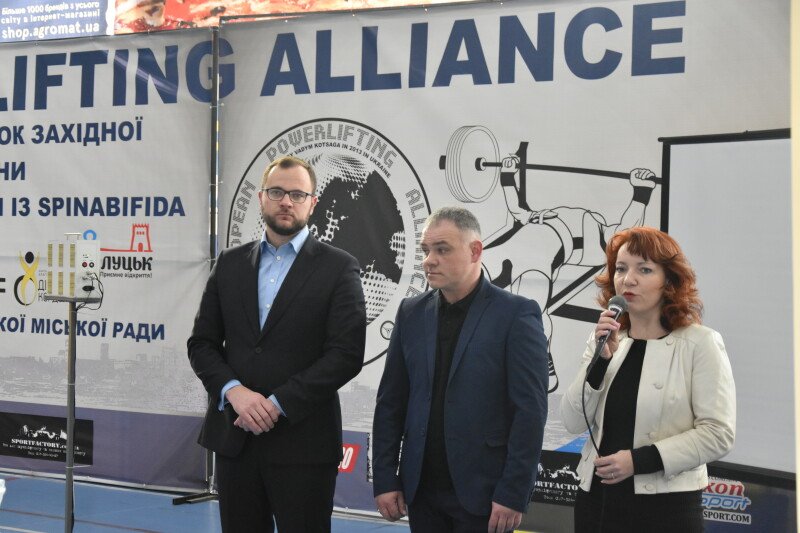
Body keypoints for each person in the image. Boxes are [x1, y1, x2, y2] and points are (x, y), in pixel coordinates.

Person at [187, 155, 367, 532]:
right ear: (261, 198)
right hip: (236, 439)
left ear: (312, 203)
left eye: (297, 194)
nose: (286, 201)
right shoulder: (229, 263)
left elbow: (345, 355)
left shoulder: (340, 267)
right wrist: (234, 392)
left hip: (304, 445)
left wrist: (276, 404)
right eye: (277, 192)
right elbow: (202, 343)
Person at [372, 206, 549, 533]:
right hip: (421, 491)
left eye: (442, 249)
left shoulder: (516, 314)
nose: (429, 260)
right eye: (426, 250)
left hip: (485, 494)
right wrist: (384, 477)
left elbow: (530, 411)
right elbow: (391, 402)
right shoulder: (411, 312)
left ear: (475, 251)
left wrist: (513, 492)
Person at [560, 226, 735, 532]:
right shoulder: (605, 338)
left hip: (666, 508)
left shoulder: (699, 343)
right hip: (597, 500)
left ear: (669, 280)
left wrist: (638, 461)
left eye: (644, 269)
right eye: (621, 269)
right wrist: (600, 361)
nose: (628, 279)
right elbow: (572, 421)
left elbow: (718, 433)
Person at [483, 153, 658, 393]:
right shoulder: (589, 238)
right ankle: (543, 364)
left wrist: (507, 174)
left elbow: (516, 209)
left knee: (527, 305)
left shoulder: (589, 237)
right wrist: (641, 192)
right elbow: (627, 229)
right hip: (544, 249)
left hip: (538, 250)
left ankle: (543, 364)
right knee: (526, 303)